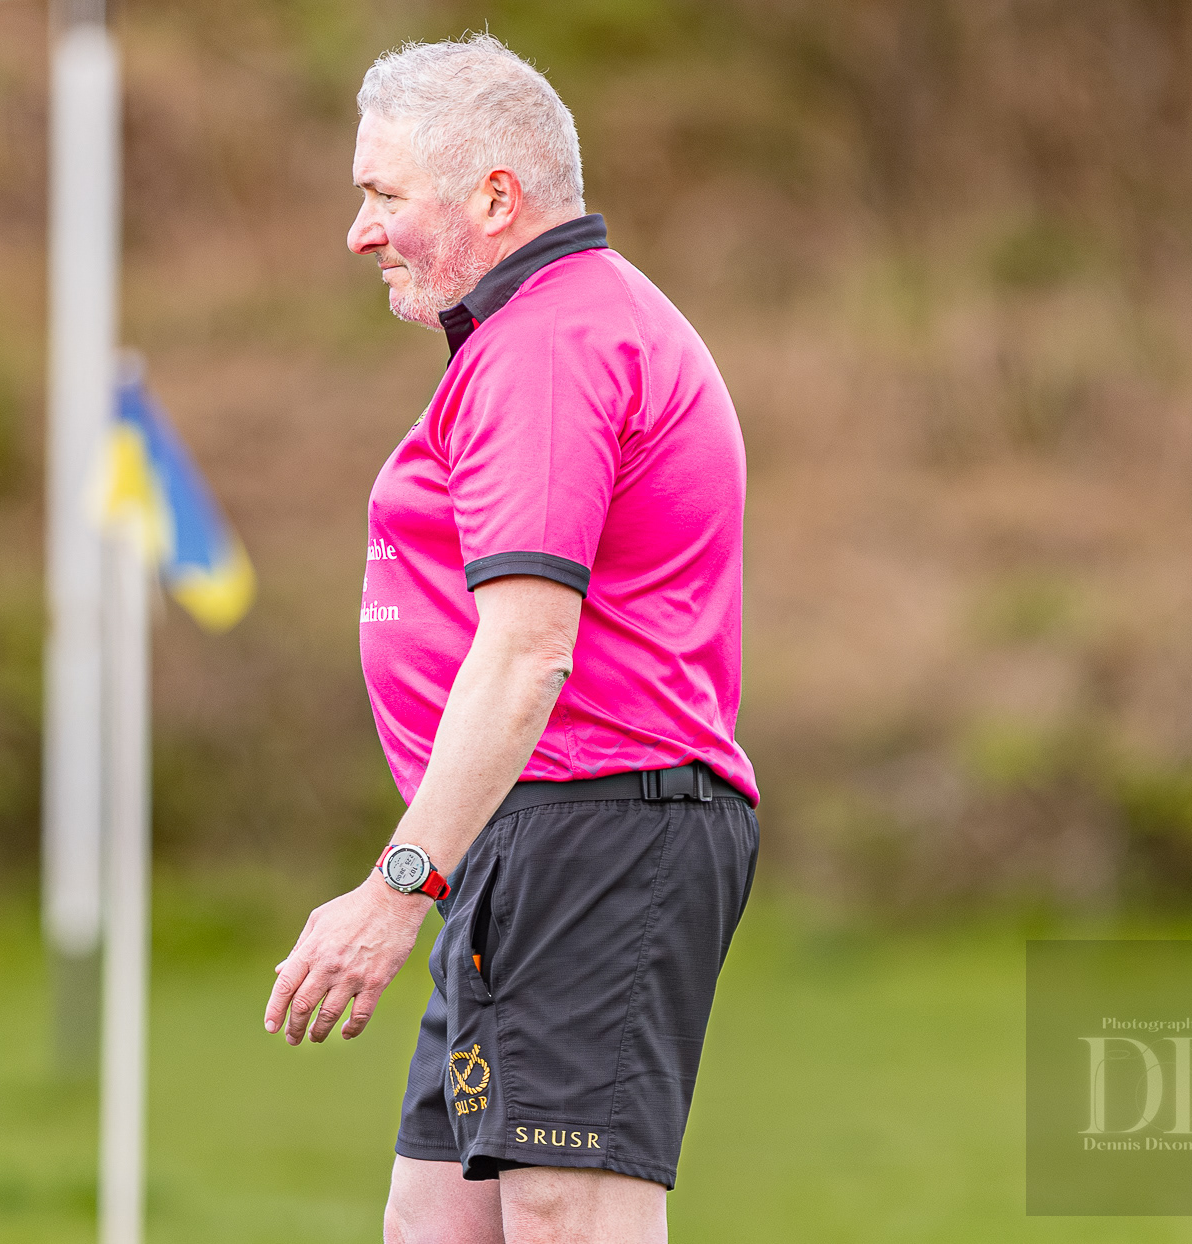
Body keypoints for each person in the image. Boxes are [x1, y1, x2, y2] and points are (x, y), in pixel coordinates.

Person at [264, 33, 759, 1244]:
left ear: (495, 198)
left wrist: (397, 887)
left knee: (562, 1221)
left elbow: (528, 649)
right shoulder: (537, 331)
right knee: (435, 1225)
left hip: (594, 828)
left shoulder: (549, 343)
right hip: (531, 838)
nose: (360, 232)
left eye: (383, 195)